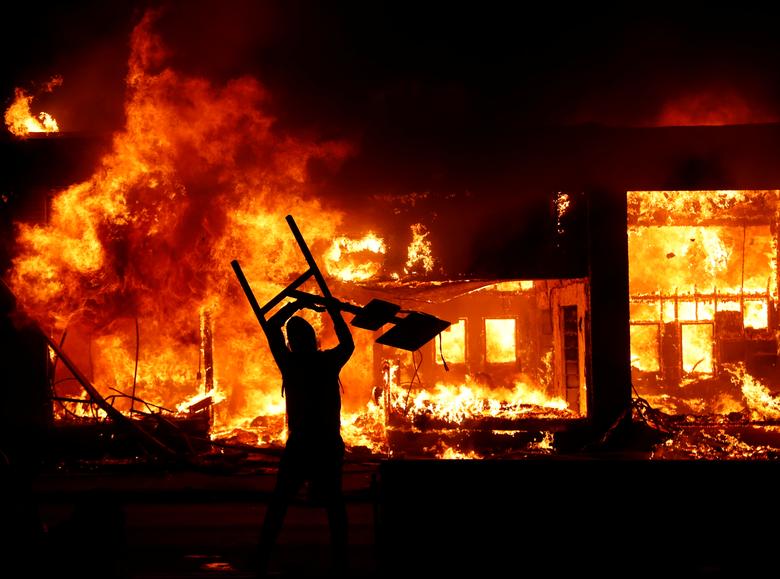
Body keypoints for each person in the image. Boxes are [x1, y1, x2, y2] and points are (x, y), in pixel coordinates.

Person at [256, 295, 354, 577]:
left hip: (300, 445)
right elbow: (349, 344)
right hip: (326, 444)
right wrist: (334, 312)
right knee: (334, 503)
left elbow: (272, 326)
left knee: (280, 502)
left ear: (292, 341)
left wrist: (296, 305)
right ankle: (341, 560)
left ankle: (262, 556)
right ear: (313, 339)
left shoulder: (290, 363)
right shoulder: (328, 362)